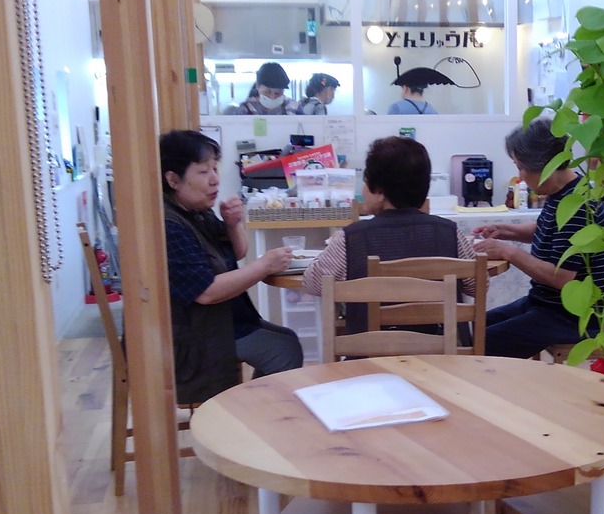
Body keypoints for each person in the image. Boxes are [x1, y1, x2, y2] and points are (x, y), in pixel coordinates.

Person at [160, 129, 303, 401]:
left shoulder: (196, 211)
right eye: (204, 172)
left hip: (223, 321)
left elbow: (236, 253)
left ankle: (250, 412)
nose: (215, 179)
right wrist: (264, 265)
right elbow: (207, 292)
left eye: (215, 168)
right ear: (173, 179)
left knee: (287, 340)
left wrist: (233, 224)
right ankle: (249, 415)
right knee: (283, 348)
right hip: (197, 335)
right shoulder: (170, 225)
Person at [302, 136, 477, 333]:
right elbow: (477, 285)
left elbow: (313, 283)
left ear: (379, 192)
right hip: (444, 348)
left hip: (371, 349)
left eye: (365, 182)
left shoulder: (352, 239)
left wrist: (332, 246)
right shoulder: (449, 233)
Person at [472, 117, 604, 359]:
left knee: (480, 341)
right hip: (545, 305)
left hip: (572, 317)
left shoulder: (580, 205)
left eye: (522, 168)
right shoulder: (566, 192)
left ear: (545, 166)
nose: (520, 176)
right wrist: (505, 230)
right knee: (470, 327)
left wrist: (508, 252)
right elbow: (545, 229)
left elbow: (562, 277)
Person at [225, 62, 299, 115]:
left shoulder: (294, 107)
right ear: (257, 86)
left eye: (277, 93)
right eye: (267, 92)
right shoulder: (245, 109)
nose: (272, 97)